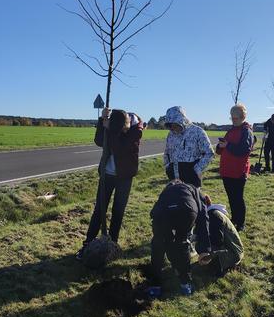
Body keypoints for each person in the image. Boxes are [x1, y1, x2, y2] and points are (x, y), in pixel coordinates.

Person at [76, 108, 143, 260]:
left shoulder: (135, 131)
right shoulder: (112, 125)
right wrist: (102, 121)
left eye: (118, 129)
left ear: (127, 124)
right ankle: (88, 245)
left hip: (124, 178)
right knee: (99, 210)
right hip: (107, 175)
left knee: (118, 212)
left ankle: (111, 246)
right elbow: (100, 141)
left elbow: (119, 148)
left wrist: (109, 129)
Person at [147, 181, 211, 297]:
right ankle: (185, 284)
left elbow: (154, 212)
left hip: (163, 213)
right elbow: (203, 220)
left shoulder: (166, 190)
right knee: (181, 242)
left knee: (159, 244)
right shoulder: (195, 190)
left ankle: (154, 286)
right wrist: (204, 250)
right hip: (187, 210)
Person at [216, 104, 254, 231]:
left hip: (238, 171)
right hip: (227, 170)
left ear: (243, 117)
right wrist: (220, 146)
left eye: (236, 118)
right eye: (232, 118)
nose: (233, 120)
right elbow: (221, 150)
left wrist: (228, 145)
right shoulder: (231, 130)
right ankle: (235, 219)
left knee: (238, 198)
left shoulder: (246, 131)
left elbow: (244, 150)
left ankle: (241, 222)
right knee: (231, 197)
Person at [163, 106, 214, 187]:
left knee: (191, 199)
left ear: (181, 120)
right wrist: (168, 168)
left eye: (174, 124)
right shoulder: (171, 134)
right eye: (170, 125)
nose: (172, 127)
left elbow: (209, 153)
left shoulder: (198, 132)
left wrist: (197, 169)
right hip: (174, 179)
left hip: (192, 180)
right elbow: (167, 153)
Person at [199, 195, 244, 276]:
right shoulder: (211, 213)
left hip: (233, 254)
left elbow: (217, 241)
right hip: (231, 249)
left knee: (201, 246)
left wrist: (207, 255)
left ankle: (220, 268)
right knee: (201, 244)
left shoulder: (213, 215)